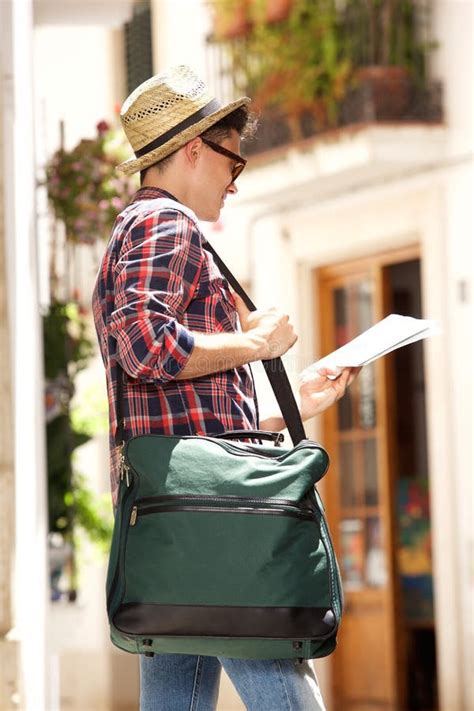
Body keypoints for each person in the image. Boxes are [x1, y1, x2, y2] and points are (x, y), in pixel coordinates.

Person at [93, 65, 359, 711]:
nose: (235, 182)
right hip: (215, 525)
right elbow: (146, 344)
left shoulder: (140, 228)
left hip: (180, 520)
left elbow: (187, 413)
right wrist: (256, 344)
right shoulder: (167, 225)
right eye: (232, 163)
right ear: (192, 149)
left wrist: (286, 400)